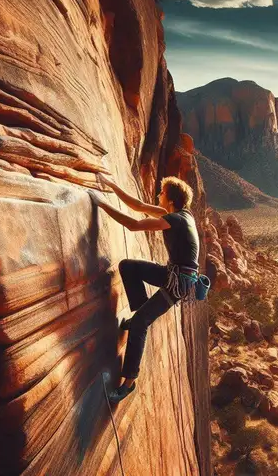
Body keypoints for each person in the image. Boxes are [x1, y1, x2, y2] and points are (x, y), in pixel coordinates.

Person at [90, 173, 200, 403]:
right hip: (173, 273)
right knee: (128, 267)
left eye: (162, 193)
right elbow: (139, 206)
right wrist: (111, 185)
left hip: (178, 283)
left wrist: (101, 204)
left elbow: (133, 225)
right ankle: (141, 310)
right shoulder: (178, 214)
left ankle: (128, 384)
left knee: (140, 323)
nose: (159, 195)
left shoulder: (176, 220)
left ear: (170, 200)